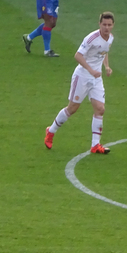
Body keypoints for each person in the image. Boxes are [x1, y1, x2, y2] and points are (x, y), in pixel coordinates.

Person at [44, 12, 115, 154]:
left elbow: (104, 52)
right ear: (99, 24)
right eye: (104, 24)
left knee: (100, 109)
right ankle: (51, 131)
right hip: (82, 76)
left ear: (113, 25)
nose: (107, 28)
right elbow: (77, 55)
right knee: (72, 108)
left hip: (96, 78)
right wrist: (90, 70)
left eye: (109, 25)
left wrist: (106, 66)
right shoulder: (91, 38)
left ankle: (95, 145)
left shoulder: (110, 38)